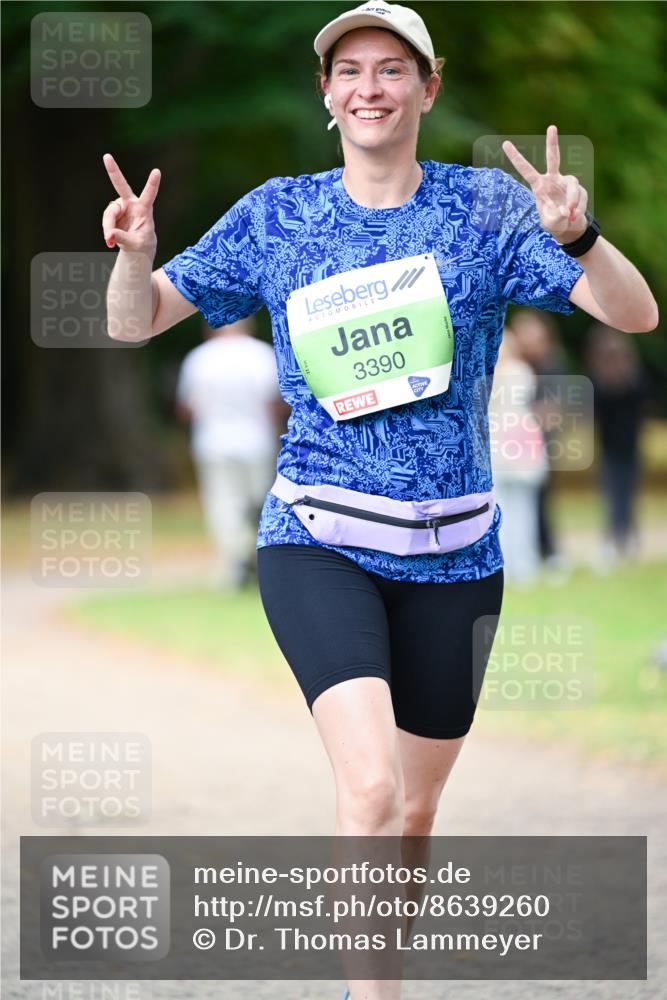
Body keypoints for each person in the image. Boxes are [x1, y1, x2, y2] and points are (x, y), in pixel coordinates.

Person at [102, 3, 658, 996]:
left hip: (457, 556)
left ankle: (380, 967)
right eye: (349, 69)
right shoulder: (277, 214)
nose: (369, 86)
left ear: (426, 89)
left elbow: (634, 311)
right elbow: (134, 321)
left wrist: (579, 235)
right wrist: (135, 253)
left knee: (409, 815)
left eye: (392, 69)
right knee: (367, 788)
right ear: (326, 94)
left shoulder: (485, 210)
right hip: (317, 537)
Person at [175, 316, 284, 588]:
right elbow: (276, 403)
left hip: (213, 441)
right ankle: (260, 558)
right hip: (256, 441)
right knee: (260, 503)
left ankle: (234, 562)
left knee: (223, 502)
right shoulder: (262, 354)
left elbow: (186, 408)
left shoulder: (200, 359)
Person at [585, 322, 648, 566]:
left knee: (627, 495)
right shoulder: (599, 381)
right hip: (609, 447)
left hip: (630, 446)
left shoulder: (634, 379)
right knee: (612, 494)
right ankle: (614, 539)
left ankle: (627, 539)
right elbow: (596, 404)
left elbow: (641, 396)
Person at [489, 328, 548, 585]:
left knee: (507, 508)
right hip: (515, 440)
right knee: (521, 507)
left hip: (505, 442)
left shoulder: (498, 376)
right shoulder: (520, 372)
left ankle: (514, 563)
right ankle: (522, 562)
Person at [512, 308, 569, 573]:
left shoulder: (552, 363)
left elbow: (554, 408)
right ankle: (538, 548)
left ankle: (550, 550)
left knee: (542, 496)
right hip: (520, 439)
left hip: (542, 440)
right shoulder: (518, 364)